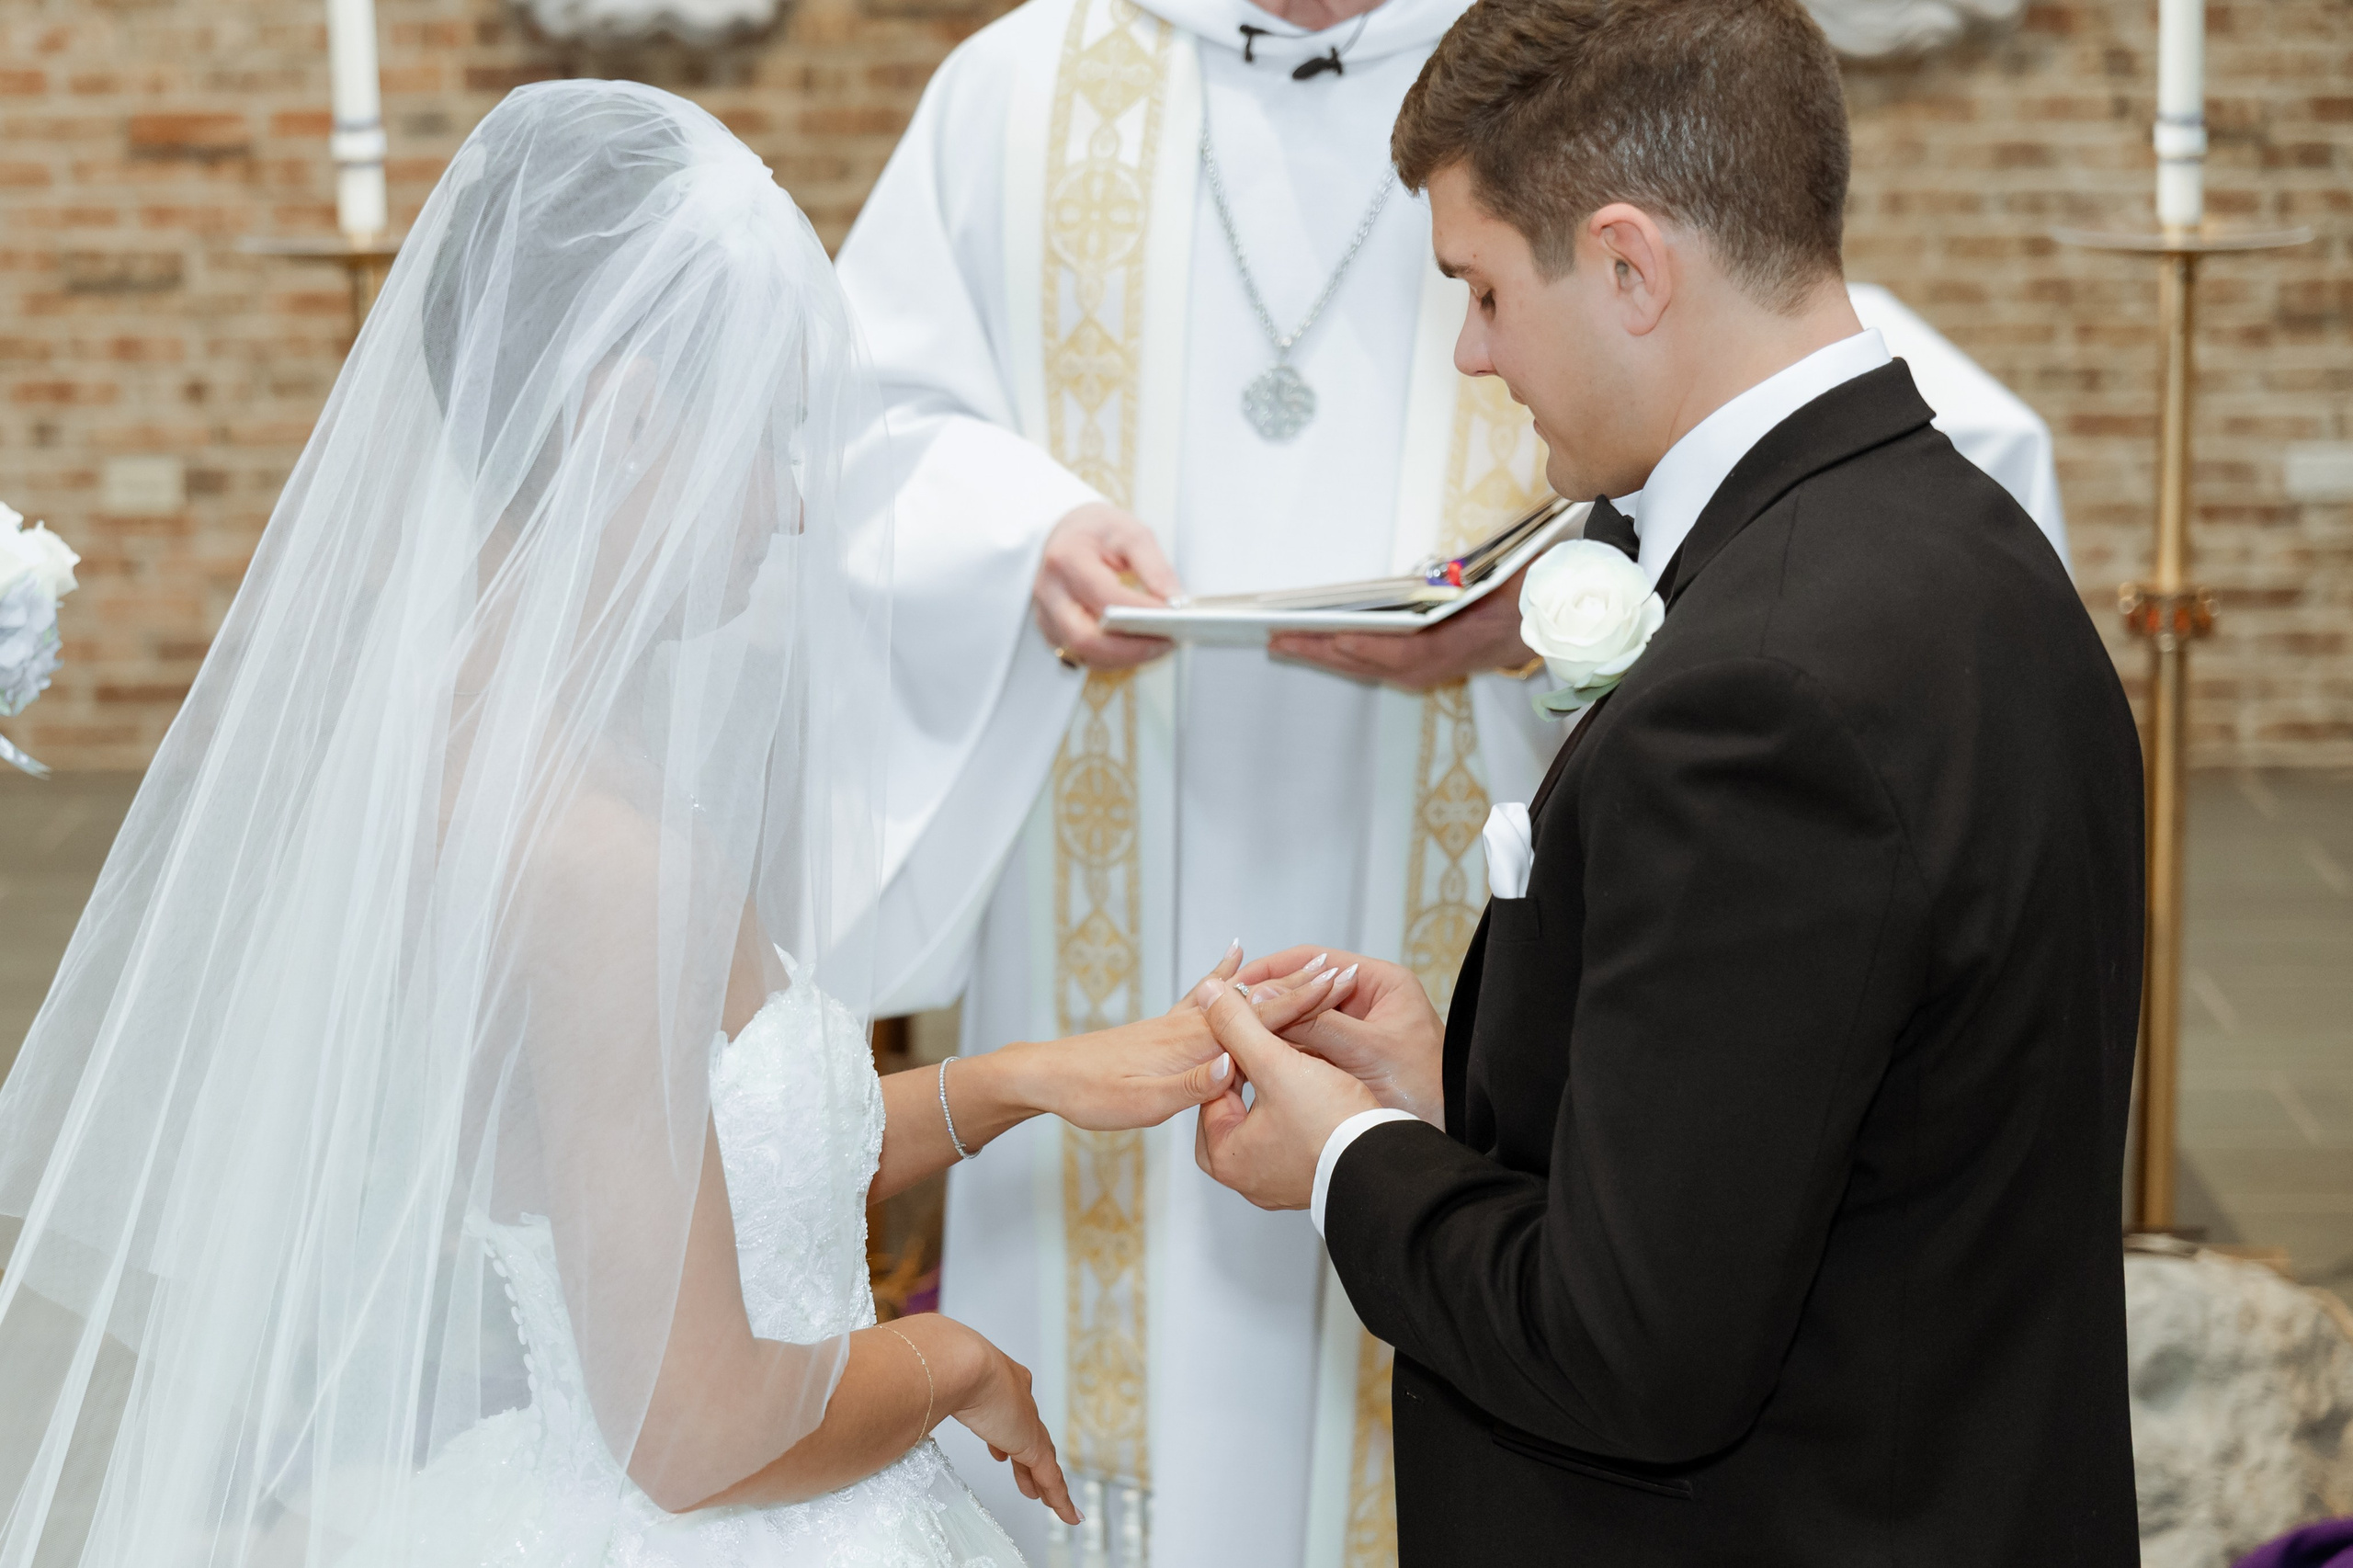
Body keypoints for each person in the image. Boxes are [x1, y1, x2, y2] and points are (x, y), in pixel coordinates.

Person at [0, 81, 1337, 1568]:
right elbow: (700, 1431)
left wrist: (1027, 1078)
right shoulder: (597, 852)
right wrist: (962, 1366)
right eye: (767, 436)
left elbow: (667, 1164)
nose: (786, 504)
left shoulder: (476, 731)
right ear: (628, 412)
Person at [1191, 1, 2147, 1563]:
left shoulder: (1758, 699)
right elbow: (1834, 1124)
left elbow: (1630, 1351)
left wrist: (1347, 1165)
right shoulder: (1964, 545)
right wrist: (1454, 1097)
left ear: (1631, 267)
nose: (1474, 351)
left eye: (1485, 287)